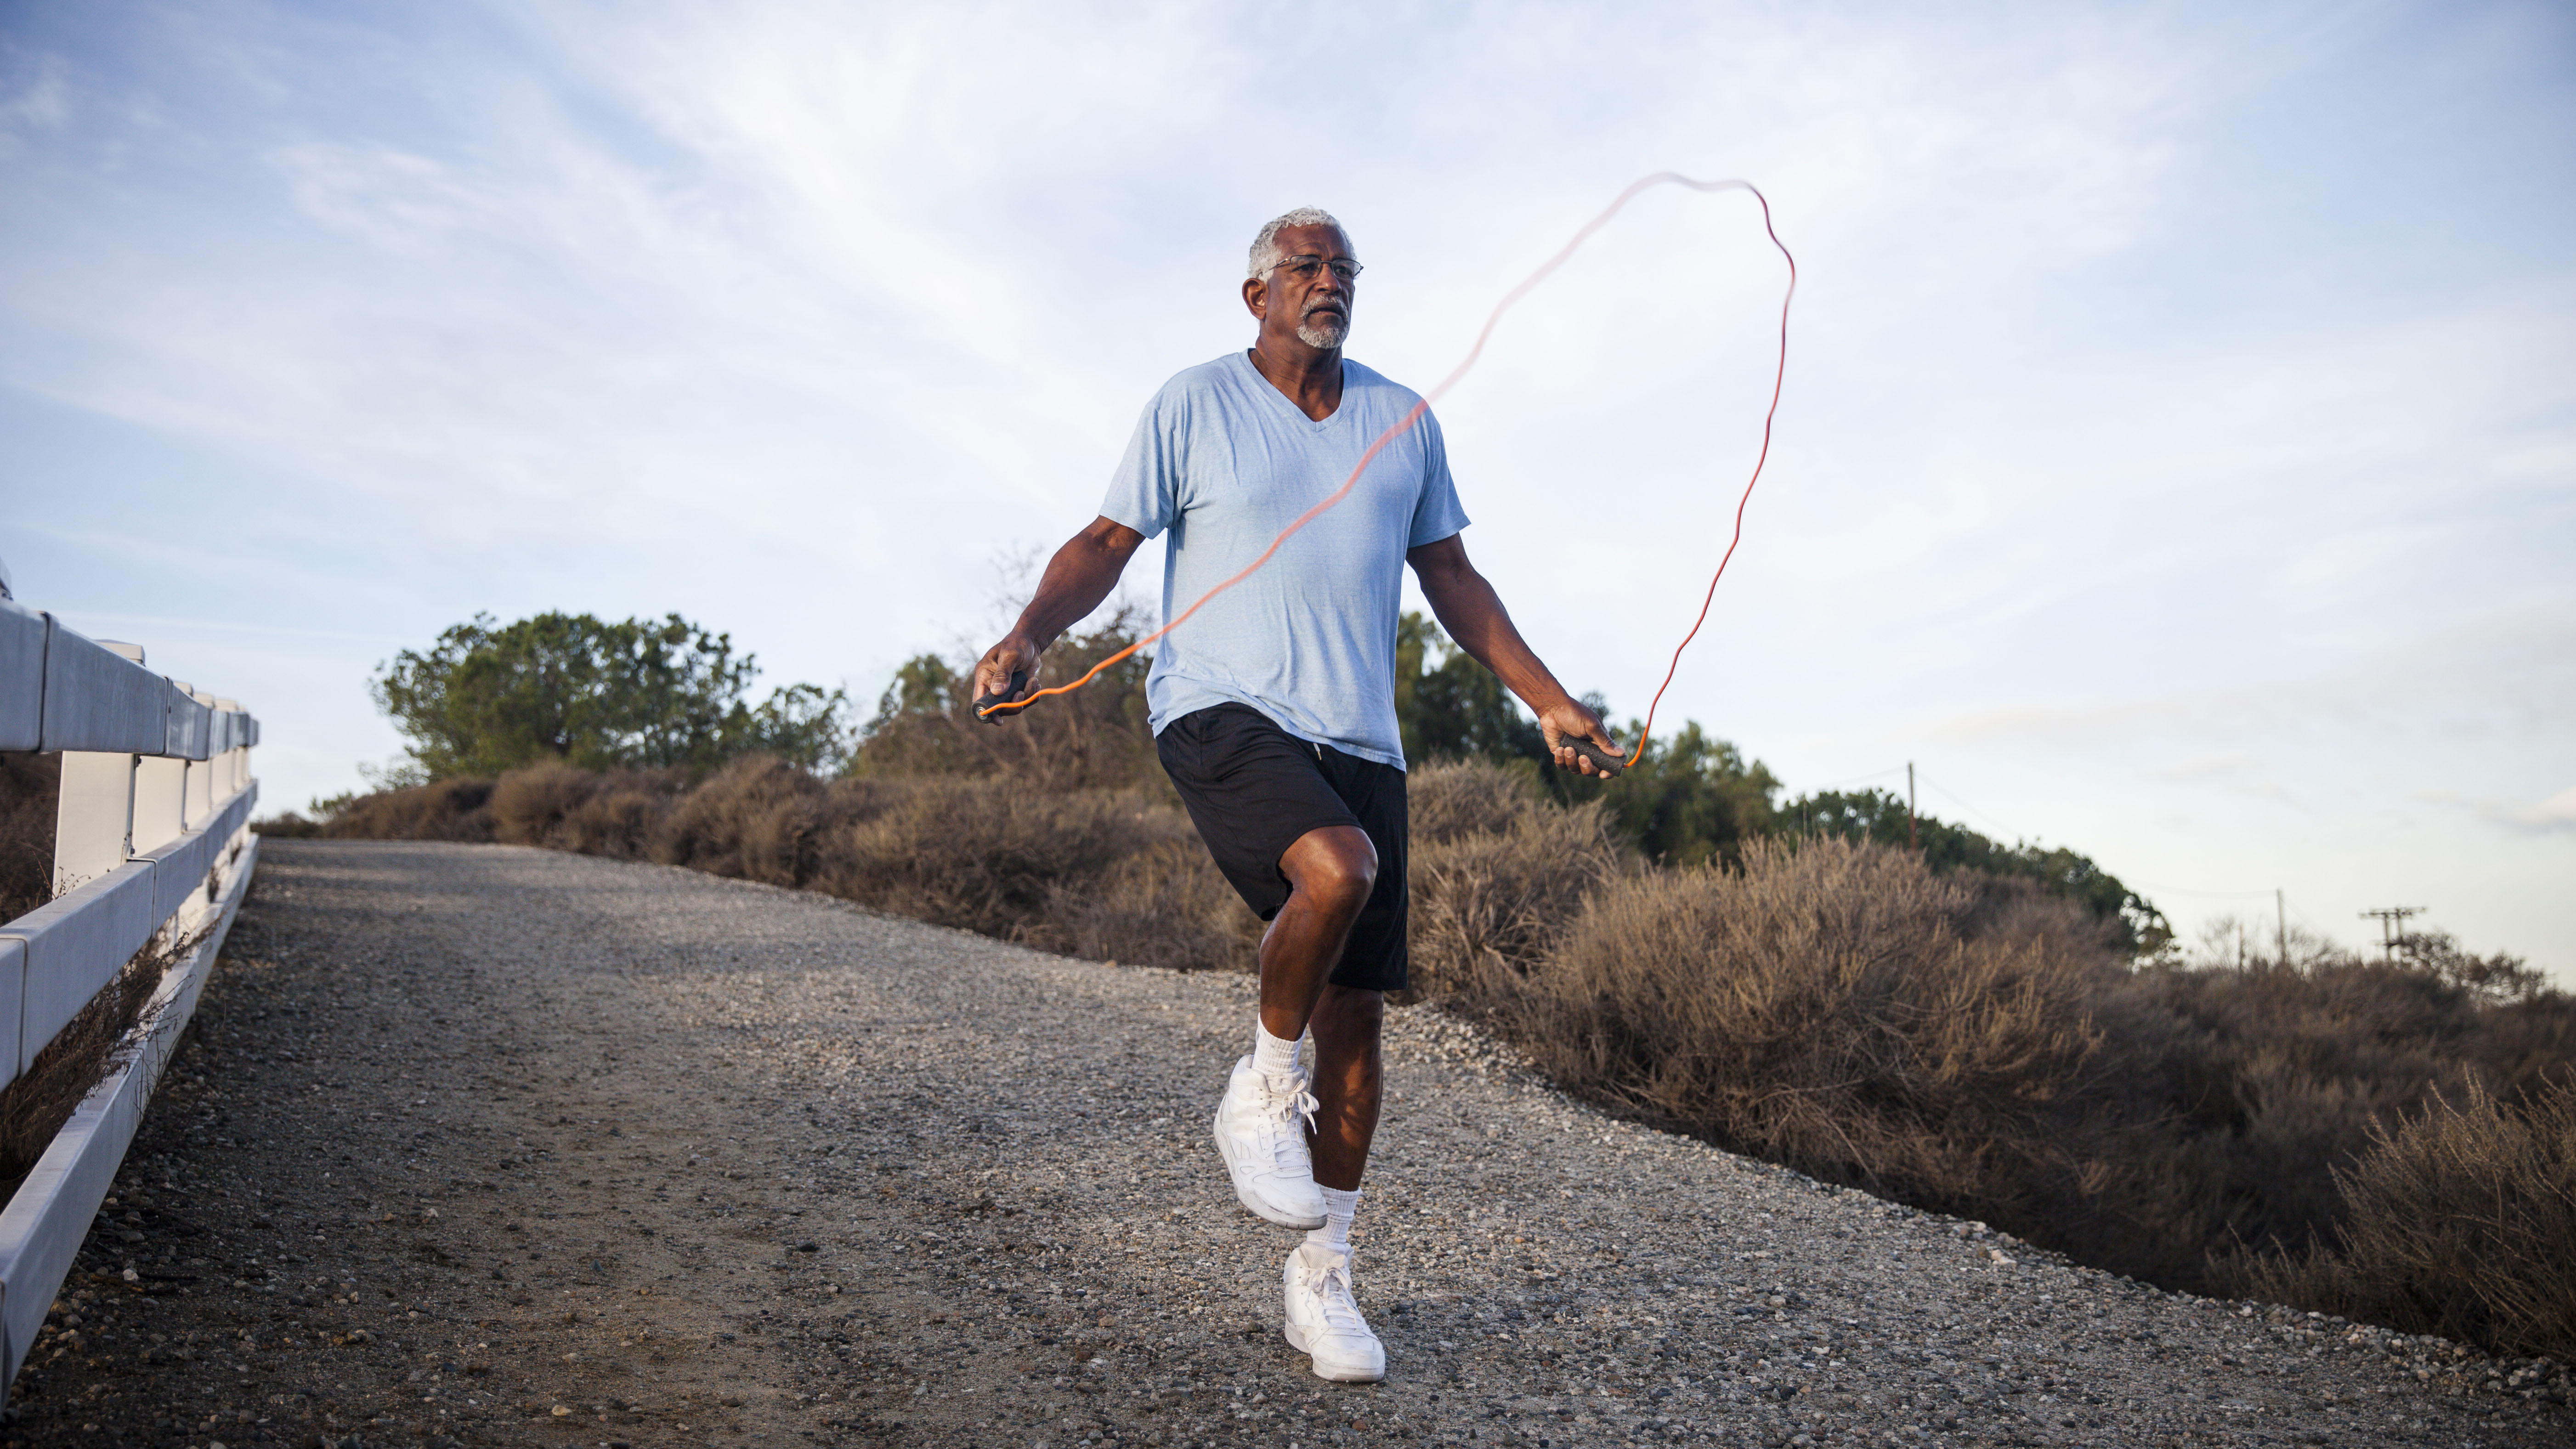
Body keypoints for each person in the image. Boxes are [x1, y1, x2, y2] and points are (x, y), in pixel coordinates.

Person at [973, 206, 1621, 1384]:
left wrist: (1546, 696)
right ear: (1255, 293)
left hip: (1362, 737)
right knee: (1336, 869)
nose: (1328, 283)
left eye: (1343, 269)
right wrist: (1026, 630)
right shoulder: (1196, 401)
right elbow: (1108, 540)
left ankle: (1322, 1276)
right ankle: (1259, 1088)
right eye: (1304, 268)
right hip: (1222, 706)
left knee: (1360, 1022)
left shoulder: (1402, 417)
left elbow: (1450, 576)